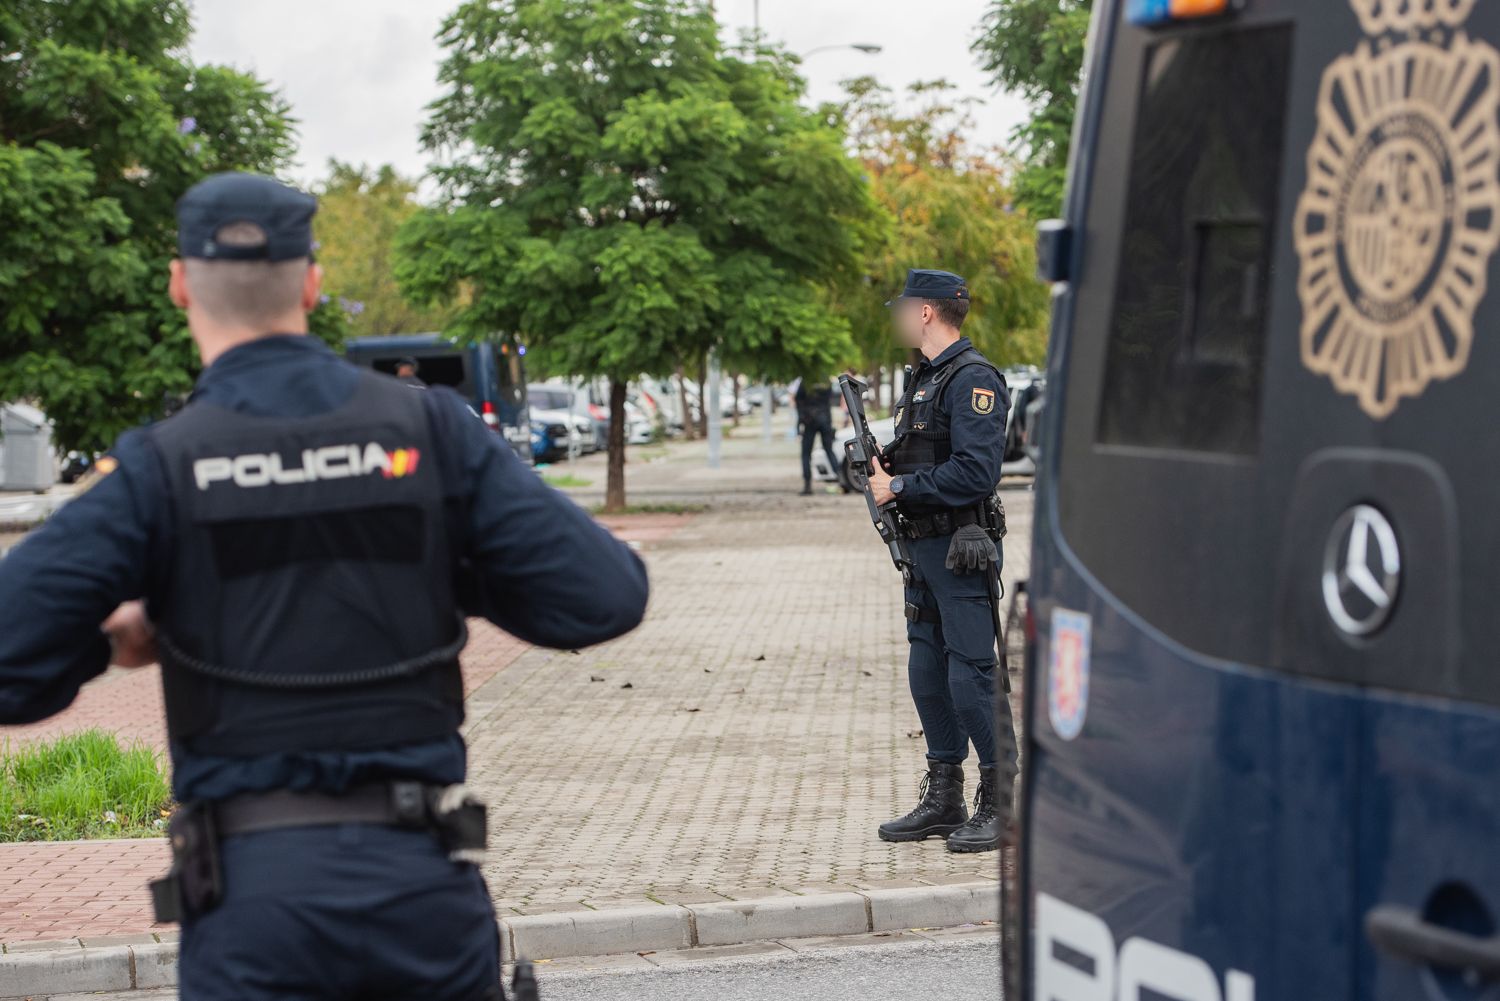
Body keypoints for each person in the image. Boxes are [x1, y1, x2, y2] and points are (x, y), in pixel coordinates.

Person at [0, 172, 650, 1000]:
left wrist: (112, 638)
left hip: (252, 918)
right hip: (419, 895)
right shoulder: (428, 429)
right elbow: (605, 595)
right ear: (312, 282)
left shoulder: (161, 467)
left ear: (177, 284)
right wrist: (443, 569)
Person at [865, 268, 1014, 854]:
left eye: (904, 307)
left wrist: (899, 488)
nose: (899, 315)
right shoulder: (925, 379)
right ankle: (944, 794)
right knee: (926, 670)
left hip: (962, 548)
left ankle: (1000, 799)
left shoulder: (973, 378)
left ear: (926, 312)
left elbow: (978, 472)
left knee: (970, 673)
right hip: (923, 550)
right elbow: (923, 454)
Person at [794, 372, 839, 495]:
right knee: (829, 450)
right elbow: (831, 399)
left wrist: (800, 423)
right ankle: (841, 480)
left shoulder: (806, 380)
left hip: (810, 420)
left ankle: (807, 485)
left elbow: (798, 401)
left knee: (805, 454)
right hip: (824, 419)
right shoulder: (826, 380)